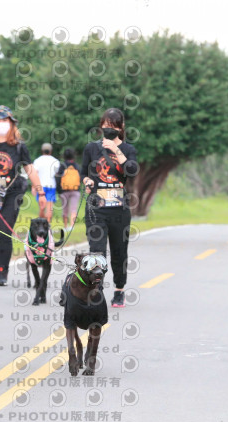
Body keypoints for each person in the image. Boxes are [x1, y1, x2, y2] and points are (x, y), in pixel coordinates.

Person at [0, 105, 46, 286]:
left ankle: (3, 270)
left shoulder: (19, 147)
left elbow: (30, 169)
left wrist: (40, 191)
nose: (0, 123)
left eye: (4, 120)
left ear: (11, 123)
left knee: (4, 230)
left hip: (12, 193)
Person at [81, 108, 138, 308]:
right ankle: (96, 290)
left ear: (121, 127)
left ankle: (119, 290)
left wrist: (116, 150)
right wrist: (87, 181)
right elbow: (83, 172)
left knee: (119, 252)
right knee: (96, 251)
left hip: (119, 209)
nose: (109, 129)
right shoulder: (91, 148)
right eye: (106, 125)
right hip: (96, 207)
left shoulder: (128, 149)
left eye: (113, 126)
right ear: (101, 126)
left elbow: (132, 170)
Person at [32, 142, 60, 224]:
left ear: (42, 150)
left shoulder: (37, 161)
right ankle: (47, 225)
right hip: (51, 185)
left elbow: (35, 174)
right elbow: (56, 173)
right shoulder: (55, 161)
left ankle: (41, 225)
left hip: (40, 185)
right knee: (50, 207)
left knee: (41, 207)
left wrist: (33, 187)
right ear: (51, 151)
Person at [56, 147, 81, 231]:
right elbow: (81, 178)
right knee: (74, 209)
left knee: (65, 209)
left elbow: (58, 179)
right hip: (75, 190)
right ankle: (72, 226)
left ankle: (65, 226)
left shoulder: (62, 166)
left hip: (64, 191)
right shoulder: (76, 166)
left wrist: (59, 191)